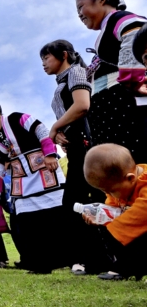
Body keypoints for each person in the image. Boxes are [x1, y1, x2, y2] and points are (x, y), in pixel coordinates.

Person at [0, 100, 70, 273]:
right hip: (21, 179)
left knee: (57, 217)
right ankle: (38, 262)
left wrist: (50, 154)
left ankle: (68, 258)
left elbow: (41, 130)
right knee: (25, 222)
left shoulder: (17, 118)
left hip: (45, 170)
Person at [41, 39, 108, 275]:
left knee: (83, 201)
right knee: (77, 203)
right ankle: (89, 258)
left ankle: (100, 258)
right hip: (76, 148)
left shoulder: (77, 72)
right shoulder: (62, 81)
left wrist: (54, 129)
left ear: (64, 55)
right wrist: (61, 133)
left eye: (47, 57)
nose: (43, 64)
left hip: (89, 146)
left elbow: (82, 106)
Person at [76, 0, 147, 163]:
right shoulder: (107, 29)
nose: (79, 14)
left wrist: (133, 79)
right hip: (116, 111)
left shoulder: (120, 18)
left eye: (81, 7)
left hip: (130, 107)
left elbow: (135, 31)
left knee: (138, 159)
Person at [82, 144, 147, 280]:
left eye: (111, 190)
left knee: (122, 235)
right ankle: (129, 268)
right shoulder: (123, 185)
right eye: (104, 191)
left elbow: (138, 216)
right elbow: (112, 210)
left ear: (130, 178)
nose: (109, 194)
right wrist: (101, 218)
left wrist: (113, 227)